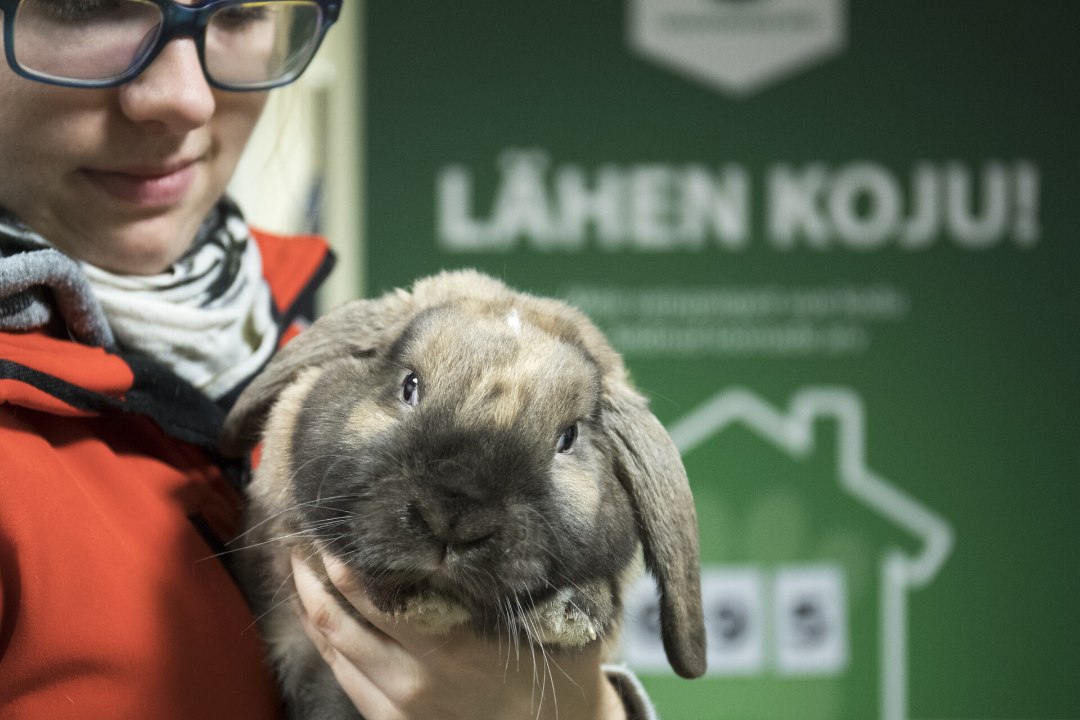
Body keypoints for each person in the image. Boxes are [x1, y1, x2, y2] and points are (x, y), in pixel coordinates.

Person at [0, 0, 657, 718]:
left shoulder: (300, 329)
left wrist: (578, 707)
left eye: (241, 12)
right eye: (84, 7)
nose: (183, 97)